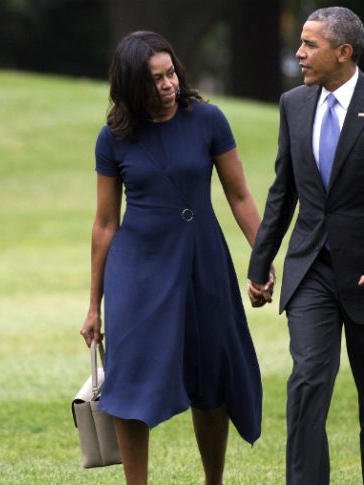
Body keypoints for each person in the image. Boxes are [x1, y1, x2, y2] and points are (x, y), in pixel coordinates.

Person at [247, 6, 364, 485]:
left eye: (310, 45)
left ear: (343, 52)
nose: (299, 53)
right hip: (312, 271)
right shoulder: (294, 105)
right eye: (301, 43)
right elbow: (283, 190)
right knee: (307, 383)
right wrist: (261, 261)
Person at [79, 31, 270, 485]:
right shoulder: (113, 139)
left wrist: (260, 260)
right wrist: (93, 304)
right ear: (131, 85)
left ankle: (213, 481)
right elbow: (105, 223)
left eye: (171, 74)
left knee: (211, 379)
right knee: (128, 384)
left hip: (201, 258)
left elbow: (240, 196)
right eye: (156, 79)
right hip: (137, 269)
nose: (168, 84)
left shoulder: (208, 120)